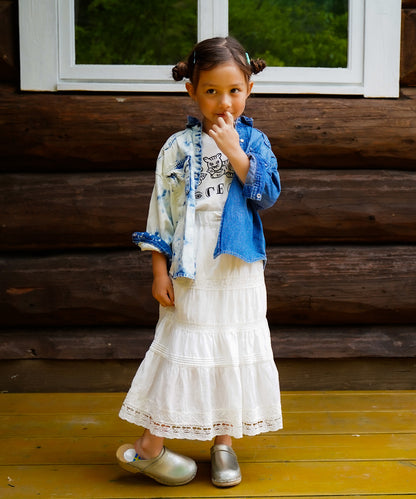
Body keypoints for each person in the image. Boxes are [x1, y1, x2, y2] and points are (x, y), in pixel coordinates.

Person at [116, 36, 283, 488]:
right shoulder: (177, 147)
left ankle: (224, 443)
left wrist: (235, 151)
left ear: (249, 87)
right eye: (211, 91)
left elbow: (267, 195)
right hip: (191, 264)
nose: (224, 101)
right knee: (187, 345)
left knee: (232, 349)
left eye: (234, 90)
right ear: (192, 90)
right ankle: (150, 445)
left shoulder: (255, 141)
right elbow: (162, 212)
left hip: (238, 264)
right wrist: (157, 270)